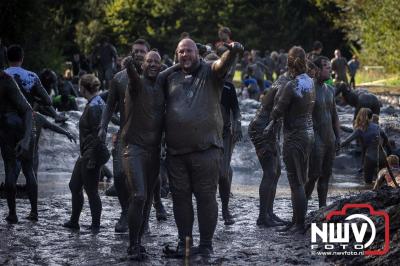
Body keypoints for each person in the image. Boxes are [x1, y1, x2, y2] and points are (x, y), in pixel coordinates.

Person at [162, 38, 243, 257]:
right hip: (176, 153)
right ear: (176, 55)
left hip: (206, 149)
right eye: (181, 52)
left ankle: (206, 245)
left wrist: (233, 52)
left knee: (206, 197)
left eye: (189, 51)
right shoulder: (170, 76)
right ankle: (185, 244)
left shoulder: (210, 72)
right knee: (180, 199)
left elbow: (222, 65)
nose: (185, 55)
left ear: (198, 53)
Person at [121, 51, 179, 260]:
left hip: (153, 151)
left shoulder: (162, 81)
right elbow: (132, 75)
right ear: (142, 65)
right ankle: (132, 245)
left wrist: (190, 58)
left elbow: (176, 67)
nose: (153, 65)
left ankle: (138, 242)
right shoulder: (136, 83)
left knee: (145, 202)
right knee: (139, 196)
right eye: (149, 62)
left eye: (157, 61)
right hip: (134, 149)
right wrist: (128, 64)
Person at [265, 46, 315, 233]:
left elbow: (277, 111)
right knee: (301, 179)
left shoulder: (291, 85)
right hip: (309, 133)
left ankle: (299, 224)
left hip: (294, 136)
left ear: (289, 62)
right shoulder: (310, 82)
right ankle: (296, 222)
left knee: (296, 182)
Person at [63, 74, 108, 233]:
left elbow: (99, 134)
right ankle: (74, 221)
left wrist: (93, 159)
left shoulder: (95, 105)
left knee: (91, 191)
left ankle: (95, 225)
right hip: (86, 152)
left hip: (91, 153)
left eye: (80, 86)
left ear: (83, 88)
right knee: (74, 185)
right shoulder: (94, 102)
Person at [248, 71, 292, 227]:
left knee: (277, 171)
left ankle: (269, 213)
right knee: (270, 172)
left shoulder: (287, 80)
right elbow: (277, 111)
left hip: (269, 129)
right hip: (262, 128)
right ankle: (262, 217)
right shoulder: (286, 83)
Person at [304, 56, 341, 208]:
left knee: (326, 175)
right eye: (327, 68)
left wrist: (338, 137)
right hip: (316, 139)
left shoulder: (330, 89)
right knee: (313, 176)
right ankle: (302, 209)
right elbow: (303, 116)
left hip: (329, 139)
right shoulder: (309, 89)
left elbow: (335, 116)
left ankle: (322, 208)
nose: (330, 71)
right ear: (318, 70)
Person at [0, 70, 35, 223]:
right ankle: (34, 212)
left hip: (4, 127)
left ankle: (13, 214)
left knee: (9, 169)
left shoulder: (7, 78)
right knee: (28, 169)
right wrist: (27, 139)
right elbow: (28, 109)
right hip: (18, 125)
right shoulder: (7, 79)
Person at [5, 45, 66, 123]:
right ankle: (56, 116)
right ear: (22, 58)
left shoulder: (2, 75)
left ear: (7, 58)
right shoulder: (32, 76)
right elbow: (48, 101)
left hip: (4, 118)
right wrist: (35, 100)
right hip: (26, 119)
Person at [340, 108, 392, 184]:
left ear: (359, 116)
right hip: (382, 157)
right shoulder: (377, 127)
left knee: (368, 182)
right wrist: (387, 153)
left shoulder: (360, 129)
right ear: (371, 117)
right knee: (383, 183)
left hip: (370, 157)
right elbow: (386, 140)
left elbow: (346, 141)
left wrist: (335, 147)